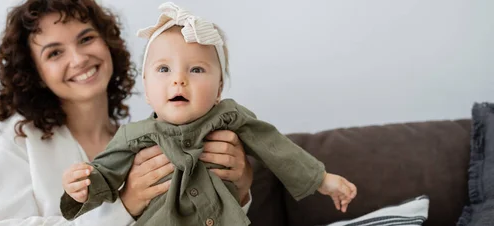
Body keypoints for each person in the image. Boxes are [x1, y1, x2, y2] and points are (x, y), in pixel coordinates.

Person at [59, 2, 358, 226]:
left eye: (196, 69)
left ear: (218, 89)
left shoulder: (230, 118)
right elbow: (104, 173)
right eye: (164, 69)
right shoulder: (133, 137)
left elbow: (275, 147)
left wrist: (322, 179)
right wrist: (82, 186)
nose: (178, 79)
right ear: (147, 89)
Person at [0, 0, 254, 225]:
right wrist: (124, 204)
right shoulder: (13, 145)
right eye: (54, 53)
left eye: (86, 39)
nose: (78, 59)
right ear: (34, 72)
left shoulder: (142, 141)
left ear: (107, 43)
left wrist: (239, 191)